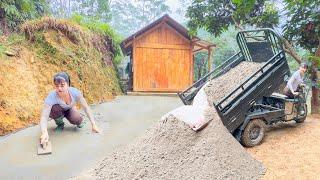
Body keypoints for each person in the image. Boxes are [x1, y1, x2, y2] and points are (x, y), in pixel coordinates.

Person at [39, 72, 100, 148]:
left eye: (62, 85)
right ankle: (60, 124)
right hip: (58, 111)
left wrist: (93, 124)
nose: (59, 88)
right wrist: (44, 132)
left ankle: (78, 122)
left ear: (68, 85)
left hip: (69, 109)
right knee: (55, 108)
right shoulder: (51, 96)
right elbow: (44, 117)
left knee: (77, 119)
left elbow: (86, 107)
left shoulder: (75, 93)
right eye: (57, 86)